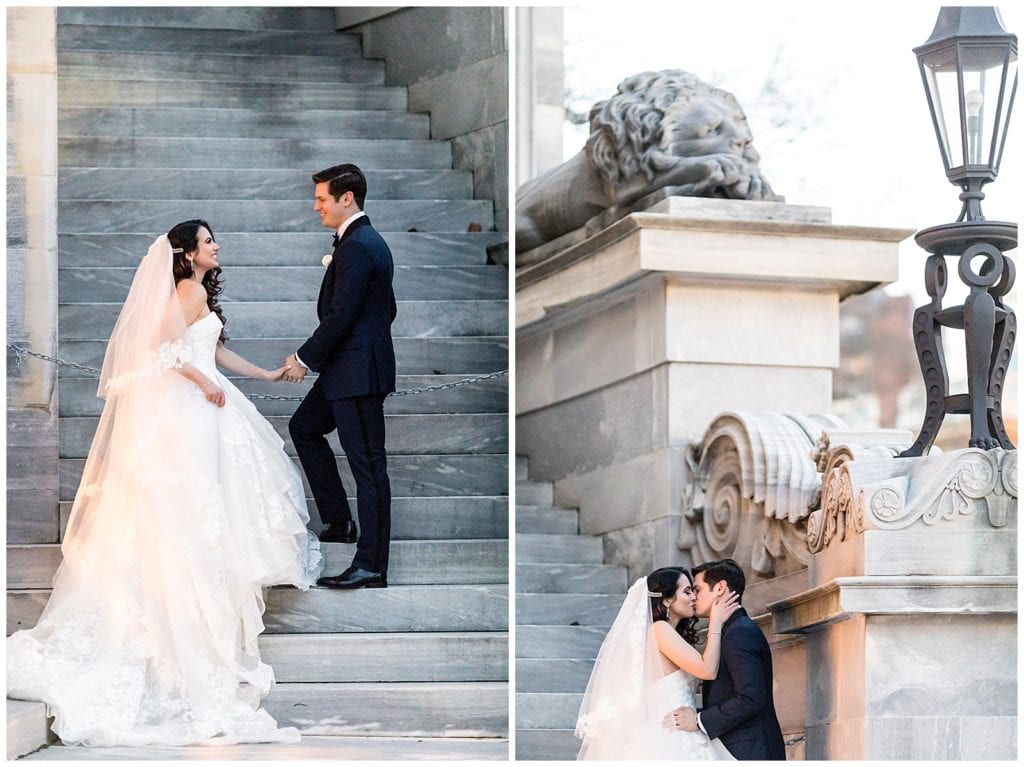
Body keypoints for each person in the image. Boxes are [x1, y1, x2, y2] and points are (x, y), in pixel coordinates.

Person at [7, 220, 323, 747]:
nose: (216, 246)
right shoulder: (188, 289)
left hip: (203, 398)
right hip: (190, 407)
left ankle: (194, 609)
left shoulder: (195, 292)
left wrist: (264, 375)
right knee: (188, 508)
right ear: (189, 253)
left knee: (200, 508)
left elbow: (211, 350)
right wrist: (203, 384)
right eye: (208, 241)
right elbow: (161, 348)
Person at [284, 163, 397, 591]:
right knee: (304, 427)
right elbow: (384, 310)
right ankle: (339, 521)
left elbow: (341, 315)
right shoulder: (357, 243)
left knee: (369, 468)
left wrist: (304, 358)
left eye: (321, 199)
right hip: (345, 369)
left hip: (358, 375)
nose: (316, 207)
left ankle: (371, 565)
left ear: (346, 198)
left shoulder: (360, 246)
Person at [575, 566, 740, 760]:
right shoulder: (659, 630)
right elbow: (707, 670)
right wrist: (716, 623)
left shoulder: (668, 633)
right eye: (687, 591)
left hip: (681, 730)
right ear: (668, 599)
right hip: (670, 737)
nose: (693, 597)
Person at [666, 559, 787, 760]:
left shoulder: (739, 632)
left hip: (749, 751)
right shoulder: (731, 629)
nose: (694, 597)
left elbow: (750, 698)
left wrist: (698, 720)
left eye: (697, 589)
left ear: (720, 588)